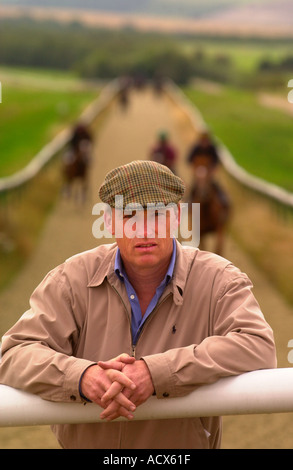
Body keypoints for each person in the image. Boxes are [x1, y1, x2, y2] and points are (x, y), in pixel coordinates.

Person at [0, 160, 276, 449]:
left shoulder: (219, 279)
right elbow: (14, 352)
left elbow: (258, 346)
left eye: (157, 215)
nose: (144, 230)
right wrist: (82, 377)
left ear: (177, 217)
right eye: (130, 216)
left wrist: (156, 373)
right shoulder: (71, 279)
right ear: (108, 222)